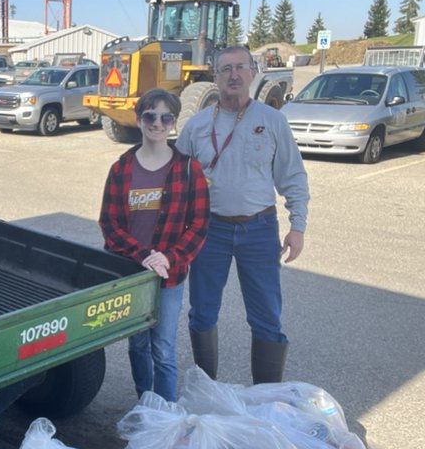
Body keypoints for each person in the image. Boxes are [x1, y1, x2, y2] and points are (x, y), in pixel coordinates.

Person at [175, 46, 310, 384]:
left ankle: (266, 397)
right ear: (214, 76)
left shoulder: (272, 120)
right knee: (202, 313)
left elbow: (292, 175)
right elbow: (175, 180)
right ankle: (207, 389)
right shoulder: (196, 125)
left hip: (260, 228)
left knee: (266, 317)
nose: (233, 75)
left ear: (253, 72)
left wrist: (298, 226)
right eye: (225, 69)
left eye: (240, 67)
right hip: (209, 230)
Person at [99, 88, 209, 401]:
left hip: (169, 277)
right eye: (150, 116)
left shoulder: (188, 170)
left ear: (173, 122)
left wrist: (169, 259)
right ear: (139, 119)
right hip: (132, 275)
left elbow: (199, 224)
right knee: (137, 346)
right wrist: (144, 255)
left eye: (165, 117)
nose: (157, 123)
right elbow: (109, 225)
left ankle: (165, 413)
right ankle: (145, 404)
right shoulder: (121, 169)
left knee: (163, 349)